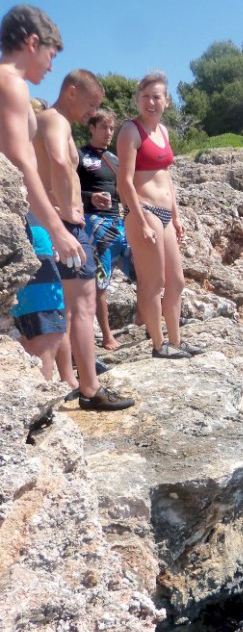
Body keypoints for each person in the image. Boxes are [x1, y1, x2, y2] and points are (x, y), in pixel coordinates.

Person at [34, 69, 134, 410]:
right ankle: (91, 389)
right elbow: (60, 163)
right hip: (67, 224)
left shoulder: (50, 120)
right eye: (92, 104)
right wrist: (67, 211)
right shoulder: (55, 119)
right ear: (72, 92)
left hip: (63, 220)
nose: (93, 112)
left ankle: (73, 380)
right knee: (83, 306)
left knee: (68, 307)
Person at [0, 4, 85, 381]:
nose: (51, 67)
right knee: (46, 332)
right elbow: (20, 162)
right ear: (33, 43)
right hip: (17, 227)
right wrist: (56, 228)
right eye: (51, 55)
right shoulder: (11, 82)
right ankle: (35, 431)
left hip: (21, 219)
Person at [117, 71, 201, 359]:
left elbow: (166, 176)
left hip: (165, 213)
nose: (151, 102)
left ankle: (176, 341)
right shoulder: (130, 130)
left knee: (176, 281)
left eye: (157, 97)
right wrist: (139, 220)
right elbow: (124, 182)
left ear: (166, 101)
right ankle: (158, 344)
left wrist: (176, 217)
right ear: (138, 100)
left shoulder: (163, 132)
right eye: (145, 97)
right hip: (143, 211)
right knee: (153, 283)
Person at [78, 108, 135, 350]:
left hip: (120, 223)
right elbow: (64, 189)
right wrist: (89, 197)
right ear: (92, 128)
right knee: (101, 282)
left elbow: (126, 190)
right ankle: (108, 336)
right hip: (96, 225)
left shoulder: (114, 158)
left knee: (143, 272)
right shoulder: (79, 155)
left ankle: (144, 322)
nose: (109, 132)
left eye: (112, 128)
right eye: (104, 127)